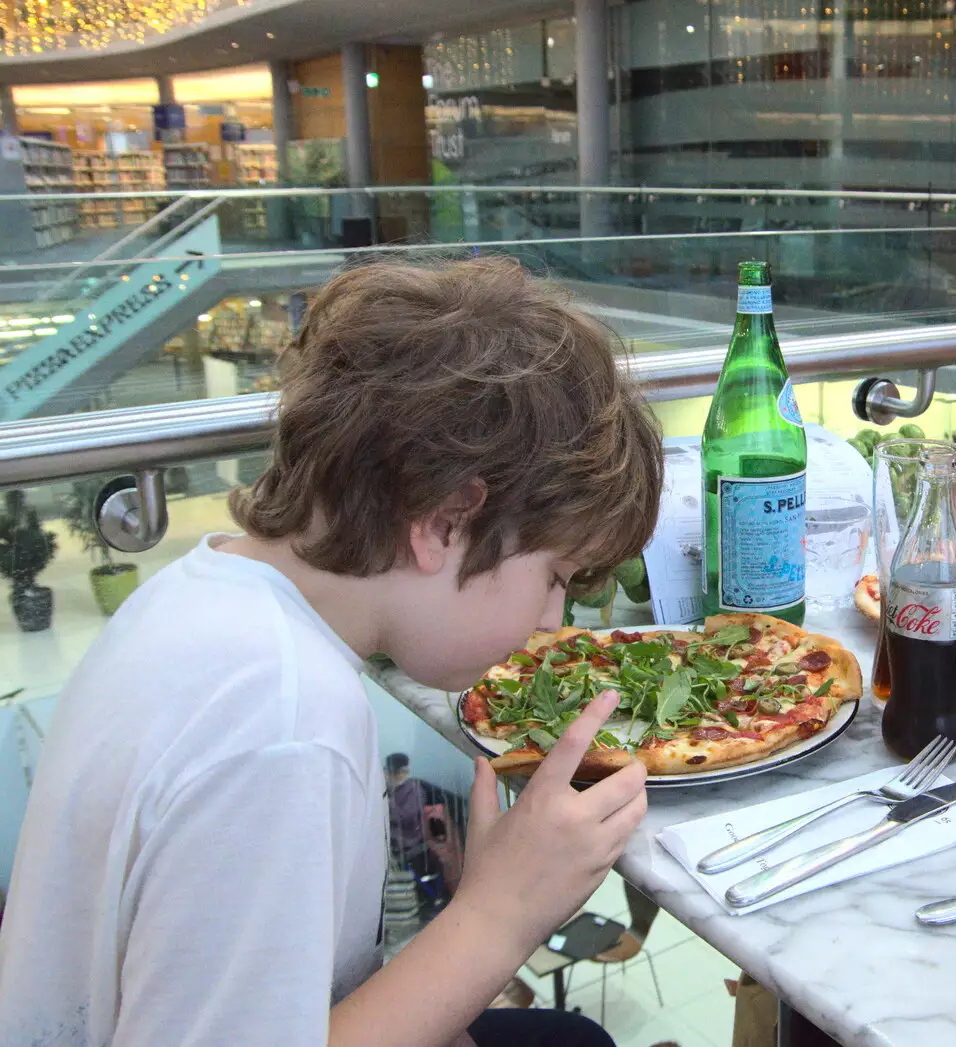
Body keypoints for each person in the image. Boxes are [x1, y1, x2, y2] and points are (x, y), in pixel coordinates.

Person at [0, 257, 663, 1047]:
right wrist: (501, 912)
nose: (553, 619)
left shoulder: (200, 595)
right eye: (554, 576)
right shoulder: (283, 725)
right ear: (445, 522)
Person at [385, 752, 465, 915]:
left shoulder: (413, 789)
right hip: (398, 846)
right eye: (391, 772)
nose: (394, 776)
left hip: (414, 844)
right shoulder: (389, 792)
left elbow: (406, 817)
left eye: (398, 772)